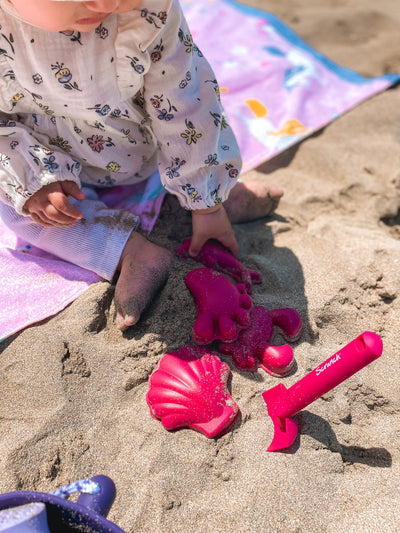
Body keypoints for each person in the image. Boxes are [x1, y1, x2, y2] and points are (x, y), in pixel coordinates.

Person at [0, 0, 283, 330]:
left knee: (193, 148)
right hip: (46, 163)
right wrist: (33, 177)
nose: (105, 3)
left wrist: (207, 205)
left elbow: (187, 105)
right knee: (19, 212)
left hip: (137, 153)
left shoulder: (146, 14)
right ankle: (129, 251)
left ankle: (209, 196)